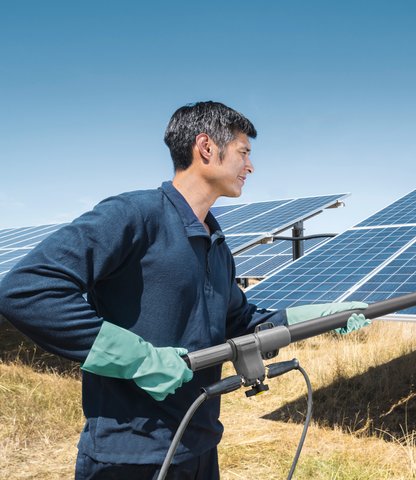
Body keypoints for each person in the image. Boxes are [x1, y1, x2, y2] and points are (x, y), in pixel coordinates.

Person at [0, 101, 368, 479]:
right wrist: (136, 358)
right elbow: (27, 290)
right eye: (243, 152)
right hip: (129, 454)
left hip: (200, 445)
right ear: (206, 148)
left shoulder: (216, 244)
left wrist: (315, 317)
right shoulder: (133, 215)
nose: (250, 166)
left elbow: (239, 322)